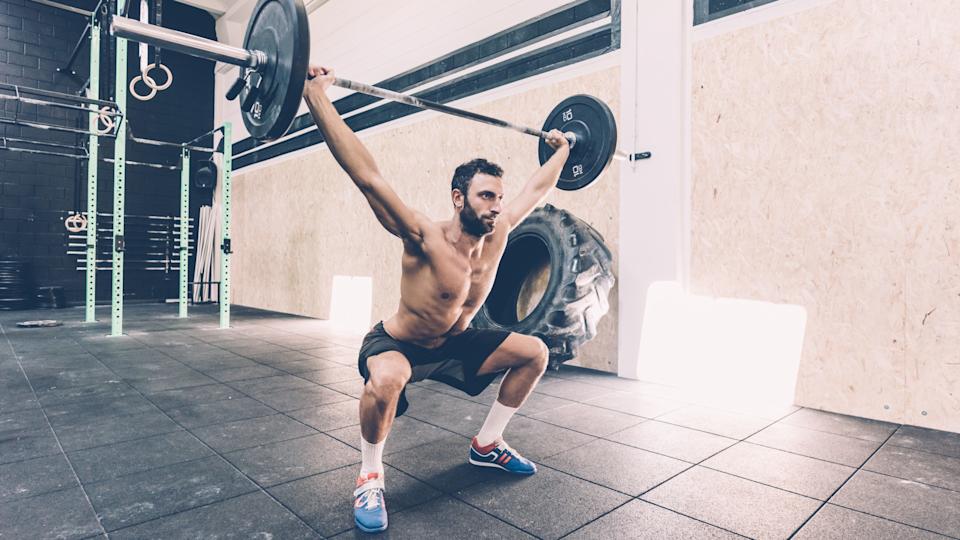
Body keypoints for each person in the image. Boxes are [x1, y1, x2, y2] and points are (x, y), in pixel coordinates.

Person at [303, 65, 570, 534]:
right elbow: (367, 176)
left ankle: (487, 444)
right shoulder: (423, 236)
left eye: (499, 197)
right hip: (399, 343)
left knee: (535, 353)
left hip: (456, 343)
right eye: (486, 196)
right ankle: (370, 475)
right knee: (386, 382)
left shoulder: (500, 232)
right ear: (458, 198)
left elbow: (537, 188)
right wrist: (316, 97)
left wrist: (565, 151)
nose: (496, 205)